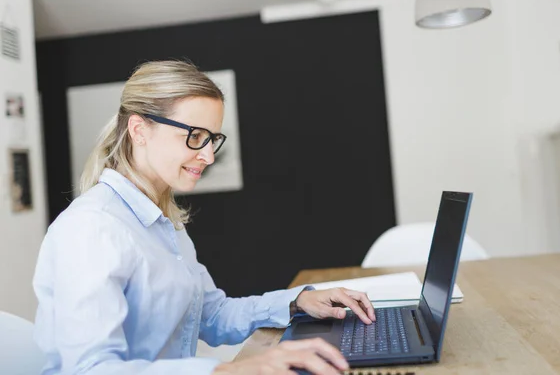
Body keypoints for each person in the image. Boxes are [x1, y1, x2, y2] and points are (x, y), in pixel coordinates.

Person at [33, 60, 376, 375]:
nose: (208, 156)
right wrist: (228, 371)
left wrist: (295, 301)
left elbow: (210, 315)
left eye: (212, 139)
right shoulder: (92, 228)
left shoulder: (163, 222)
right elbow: (90, 370)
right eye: (195, 137)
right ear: (139, 131)